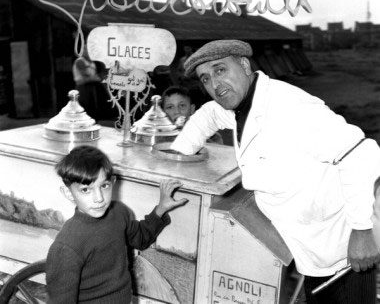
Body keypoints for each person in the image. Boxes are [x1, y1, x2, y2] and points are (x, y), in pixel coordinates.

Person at [170, 39, 380, 304]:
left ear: (245, 65)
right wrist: (181, 153)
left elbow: (361, 153)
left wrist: (362, 231)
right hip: (301, 245)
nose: (214, 84)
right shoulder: (241, 104)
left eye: (220, 70)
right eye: (205, 78)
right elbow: (207, 115)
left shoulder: (290, 108)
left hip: (340, 253)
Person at [46, 145, 187, 304]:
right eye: (86, 190)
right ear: (68, 193)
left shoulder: (119, 212)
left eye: (104, 186)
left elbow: (141, 239)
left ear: (112, 182)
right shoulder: (67, 246)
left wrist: (160, 209)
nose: (99, 198)